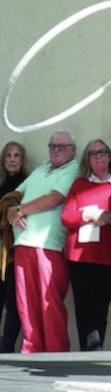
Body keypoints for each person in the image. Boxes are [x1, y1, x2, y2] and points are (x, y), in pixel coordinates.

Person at [7, 131, 79, 352]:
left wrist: (20, 210)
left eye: (61, 146)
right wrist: (10, 211)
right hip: (23, 244)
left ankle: (55, 353)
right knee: (25, 303)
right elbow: (14, 196)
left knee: (50, 302)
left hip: (48, 246)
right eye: (52, 146)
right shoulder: (41, 169)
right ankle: (32, 350)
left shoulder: (73, 168)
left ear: (72, 150)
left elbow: (55, 198)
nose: (55, 150)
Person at [61, 139, 111, 350]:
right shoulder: (80, 184)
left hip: (106, 258)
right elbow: (67, 217)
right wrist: (88, 214)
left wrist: (110, 217)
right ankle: (83, 356)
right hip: (79, 258)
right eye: (93, 153)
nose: (99, 156)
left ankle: (95, 354)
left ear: (109, 155)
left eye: (103, 152)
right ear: (87, 159)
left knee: (99, 310)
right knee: (82, 309)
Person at [0, 141, 28, 352]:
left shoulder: (25, 184)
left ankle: (7, 346)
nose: (11, 159)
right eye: (8, 155)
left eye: (16, 155)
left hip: (14, 252)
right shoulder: (2, 184)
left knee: (13, 302)